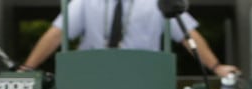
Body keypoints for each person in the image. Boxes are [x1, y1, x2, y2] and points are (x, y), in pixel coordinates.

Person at [20, 0, 238, 76]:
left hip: (141, 76)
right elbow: (57, 34)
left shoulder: (157, 2)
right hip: (94, 75)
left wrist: (216, 67)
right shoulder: (85, 1)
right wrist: (28, 68)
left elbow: (188, 35)